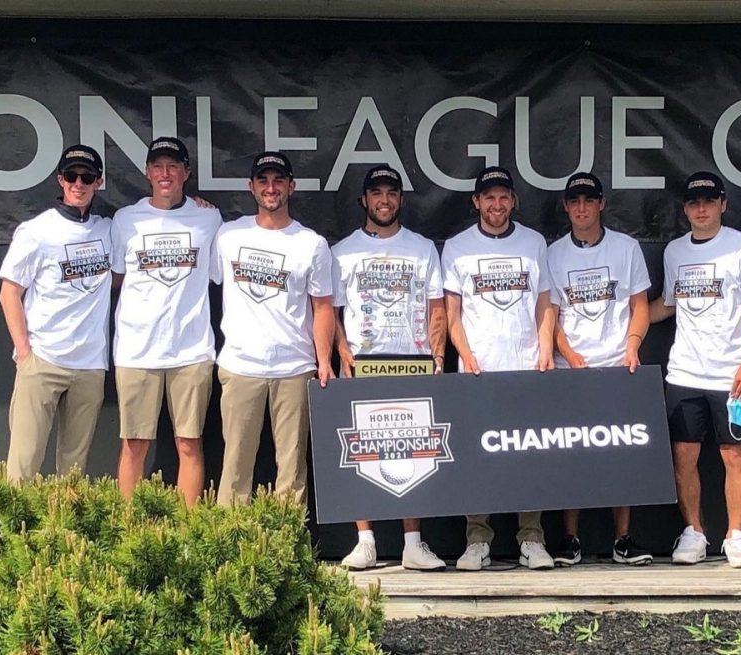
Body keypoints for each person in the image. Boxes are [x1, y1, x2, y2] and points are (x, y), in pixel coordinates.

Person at [649, 172, 741, 568]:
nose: (701, 209)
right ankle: (694, 533)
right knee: (683, 456)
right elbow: (668, 304)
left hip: (733, 376)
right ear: (685, 209)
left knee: (735, 456)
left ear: (723, 204)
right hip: (684, 374)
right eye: (693, 203)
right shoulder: (674, 252)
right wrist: (623, 321)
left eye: (708, 201)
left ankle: (736, 535)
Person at [333, 164, 448, 571]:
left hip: (411, 363)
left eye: (391, 193)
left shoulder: (421, 248)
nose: (384, 200)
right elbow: (329, 310)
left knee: (413, 450)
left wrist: (437, 357)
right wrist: (342, 351)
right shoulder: (342, 251)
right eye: (376, 193)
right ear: (364, 200)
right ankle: (365, 540)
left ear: (400, 199)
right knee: (362, 450)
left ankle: (412, 543)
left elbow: (437, 308)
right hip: (363, 365)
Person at [443, 166, 555, 571]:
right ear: (476, 202)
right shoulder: (456, 246)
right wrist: (467, 356)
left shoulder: (534, 242)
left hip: (525, 368)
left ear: (513, 201)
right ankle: (478, 541)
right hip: (478, 372)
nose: (496, 204)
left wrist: (545, 349)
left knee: (530, 455)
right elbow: (451, 314)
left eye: (503, 196)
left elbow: (545, 301)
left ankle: (531, 539)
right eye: (488, 197)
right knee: (477, 459)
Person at [212, 151, 334, 506]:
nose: (271, 187)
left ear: (291, 187)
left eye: (278, 180)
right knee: (234, 468)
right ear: (251, 188)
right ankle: (229, 549)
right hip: (239, 365)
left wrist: (323, 361)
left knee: (292, 471)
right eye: (263, 181)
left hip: (294, 367)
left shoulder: (311, 243)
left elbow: (322, 306)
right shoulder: (227, 236)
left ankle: (286, 549)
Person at [547, 172, 653, 566]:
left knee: (620, 455)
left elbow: (639, 306)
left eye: (588, 201)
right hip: (570, 370)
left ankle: (623, 540)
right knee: (571, 456)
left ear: (601, 204)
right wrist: (571, 357)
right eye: (574, 202)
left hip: (616, 367)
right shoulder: (553, 253)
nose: (581, 208)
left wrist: (632, 346)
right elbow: (550, 314)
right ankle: (570, 540)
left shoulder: (626, 248)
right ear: (566, 207)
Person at [111, 137, 222, 507]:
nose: (165, 174)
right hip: (136, 349)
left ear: (186, 173)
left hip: (191, 351)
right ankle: (126, 534)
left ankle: (187, 534)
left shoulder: (209, 218)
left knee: (188, 443)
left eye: (173, 166)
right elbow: (116, 277)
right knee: (134, 444)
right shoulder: (125, 219)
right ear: (147, 173)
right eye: (158, 166)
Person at [0, 145, 111, 482]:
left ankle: (65, 534)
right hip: (43, 360)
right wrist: (24, 352)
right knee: (24, 459)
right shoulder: (35, 231)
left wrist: (197, 204)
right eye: (72, 176)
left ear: (98, 182)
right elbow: (9, 293)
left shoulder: (109, 229)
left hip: (90, 365)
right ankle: (11, 535)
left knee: (74, 469)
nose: (79, 183)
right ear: (61, 180)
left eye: (87, 176)